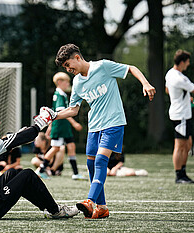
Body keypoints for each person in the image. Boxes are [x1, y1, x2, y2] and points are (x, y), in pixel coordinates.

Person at [50, 43, 155, 219]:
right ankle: (102, 207)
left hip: (113, 123)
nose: (68, 69)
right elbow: (73, 110)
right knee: (91, 164)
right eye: (65, 67)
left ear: (77, 57)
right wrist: (53, 115)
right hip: (94, 126)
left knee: (100, 161)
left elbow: (131, 68)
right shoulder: (76, 82)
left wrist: (146, 83)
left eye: (68, 65)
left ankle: (90, 201)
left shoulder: (103, 66)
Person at [0, 113, 79, 219]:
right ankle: (55, 211)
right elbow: (23, 138)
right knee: (27, 175)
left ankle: (47, 207)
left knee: (12, 173)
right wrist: (41, 123)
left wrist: (18, 134)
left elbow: (11, 139)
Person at [38, 72, 85, 180]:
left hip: (64, 127)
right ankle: (41, 170)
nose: (68, 84)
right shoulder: (58, 94)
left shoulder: (62, 94)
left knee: (71, 146)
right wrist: (74, 123)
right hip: (60, 127)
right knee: (55, 148)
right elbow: (61, 111)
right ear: (59, 82)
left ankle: (76, 173)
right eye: (66, 81)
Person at [165, 49, 194, 184]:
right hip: (180, 115)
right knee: (180, 145)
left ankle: (182, 172)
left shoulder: (170, 74)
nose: (188, 64)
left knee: (188, 143)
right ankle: (179, 175)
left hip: (182, 114)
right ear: (182, 62)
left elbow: (167, 89)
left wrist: (183, 97)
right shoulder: (179, 78)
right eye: (187, 62)